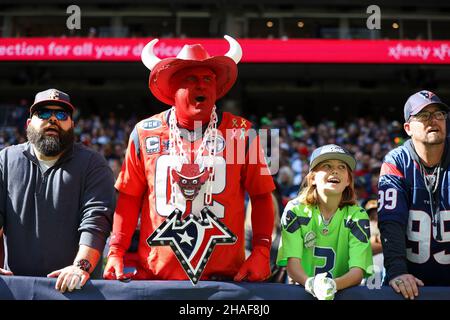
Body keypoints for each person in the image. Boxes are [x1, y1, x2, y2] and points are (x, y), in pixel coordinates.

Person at [103, 36, 275, 284]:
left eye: (208, 79)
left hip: (224, 281)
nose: (201, 86)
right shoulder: (144, 133)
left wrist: (261, 250)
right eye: (190, 79)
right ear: (173, 90)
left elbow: (261, 196)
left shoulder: (241, 133)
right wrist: (116, 251)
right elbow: (129, 197)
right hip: (157, 280)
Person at [0, 88, 115, 293]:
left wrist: (81, 267)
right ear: (29, 123)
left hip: (76, 290)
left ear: (72, 125)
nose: (52, 119)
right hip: (17, 289)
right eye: (43, 113)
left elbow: (96, 221)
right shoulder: (6, 160)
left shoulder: (93, 163)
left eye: (61, 114)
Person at [378, 90, 450, 299]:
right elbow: (391, 221)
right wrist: (398, 270)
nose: (433, 120)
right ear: (408, 128)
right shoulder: (396, 162)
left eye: (438, 114)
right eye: (423, 115)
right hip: (408, 286)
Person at [277, 144, 373, 300]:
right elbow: (292, 265)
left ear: (348, 179)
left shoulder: (358, 215)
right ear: (312, 177)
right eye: (327, 166)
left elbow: (358, 271)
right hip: (301, 293)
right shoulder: (295, 210)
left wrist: (332, 286)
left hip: (342, 295)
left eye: (342, 167)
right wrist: (311, 284)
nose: (334, 171)